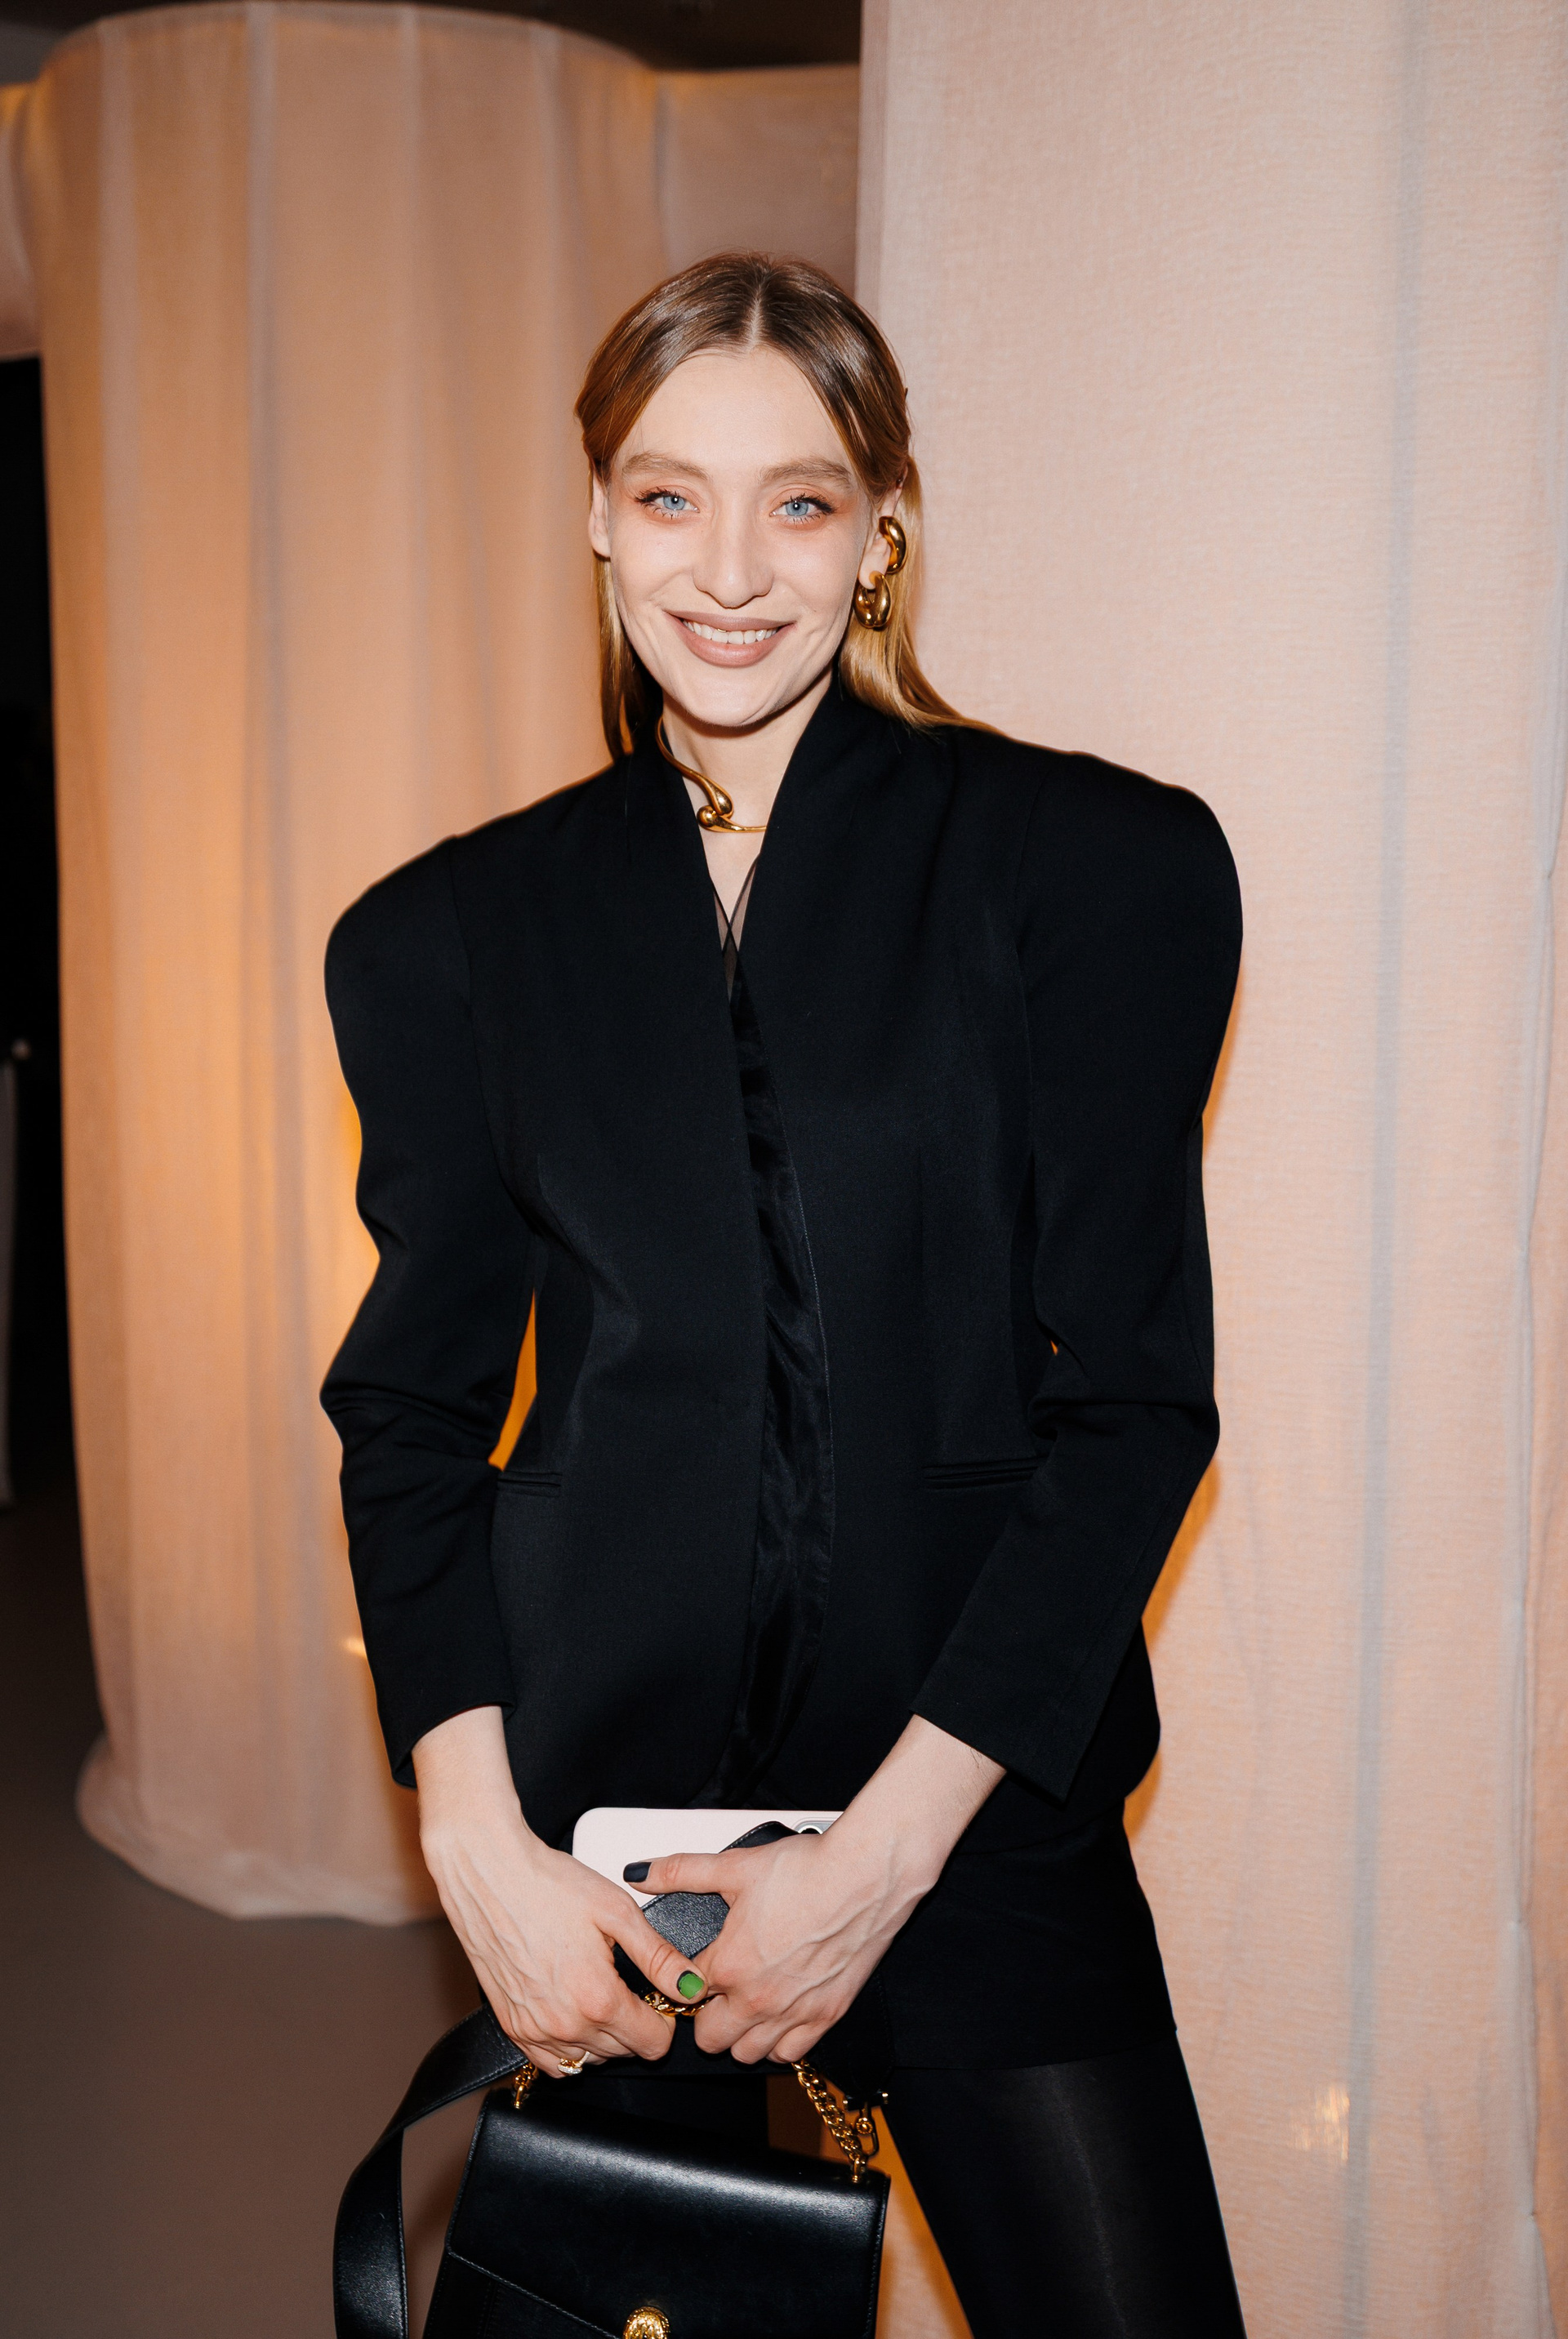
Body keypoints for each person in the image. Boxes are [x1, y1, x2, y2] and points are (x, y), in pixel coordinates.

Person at [323, 252, 1246, 2337]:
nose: (730, 571)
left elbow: (1133, 1404)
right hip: (608, 1856)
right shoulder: (448, 937)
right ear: (597, 513)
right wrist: (475, 1835)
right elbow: (409, 1411)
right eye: (670, 496)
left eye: (800, 501)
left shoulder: (1097, 870)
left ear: (882, 526)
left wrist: (884, 1859)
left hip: (973, 1799)